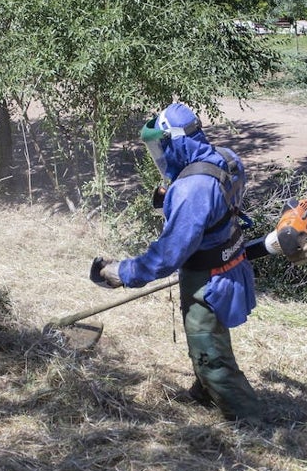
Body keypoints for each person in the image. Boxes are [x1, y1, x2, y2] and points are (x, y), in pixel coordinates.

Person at [93, 101, 263, 423]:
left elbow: (167, 256)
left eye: (161, 147)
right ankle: (205, 393)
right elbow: (220, 207)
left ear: (177, 142)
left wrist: (121, 272)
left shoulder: (192, 189)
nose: (159, 155)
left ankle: (249, 420)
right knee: (209, 339)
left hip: (207, 279)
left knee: (209, 351)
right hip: (231, 264)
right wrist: (173, 200)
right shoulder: (226, 158)